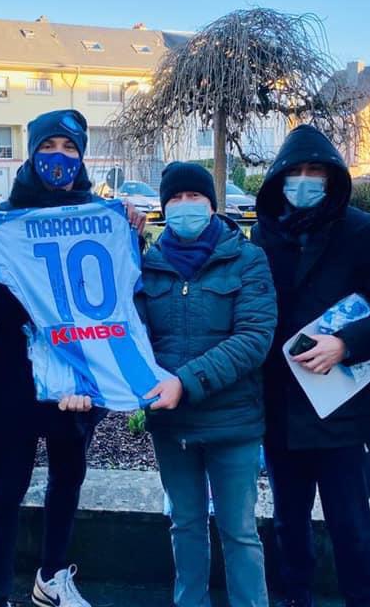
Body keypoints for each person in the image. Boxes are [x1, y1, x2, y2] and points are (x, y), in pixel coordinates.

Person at [0, 109, 144, 607]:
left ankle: (50, 579)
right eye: (49, 146)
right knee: (6, 489)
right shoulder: (4, 217)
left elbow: (122, 292)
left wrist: (133, 233)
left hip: (80, 374)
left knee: (68, 477)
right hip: (17, 377)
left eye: (70, 148)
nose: (59, 157)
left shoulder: (100, 214)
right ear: (31, 152)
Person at [251, 125, 370, 607]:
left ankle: (360, 599)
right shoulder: (264, 233)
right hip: (281, 404)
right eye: (294, 172)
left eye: (315, 171)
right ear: (278, 179)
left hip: (342, 405)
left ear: (333, 178)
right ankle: (293, 598)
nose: (304, 181)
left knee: (350, 523)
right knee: (287, 520)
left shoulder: (363, 231)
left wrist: (345, 344)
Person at [135, 162, 277, 607]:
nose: (184, 205)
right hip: (172, 425)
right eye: (175, 198)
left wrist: (185, 382)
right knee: (185, 525)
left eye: (193, 196)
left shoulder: (247, 259)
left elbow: (254, 338)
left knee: (240, 531)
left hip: (233, 423)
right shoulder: (146, 265)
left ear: (212, 204)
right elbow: (130, 335)